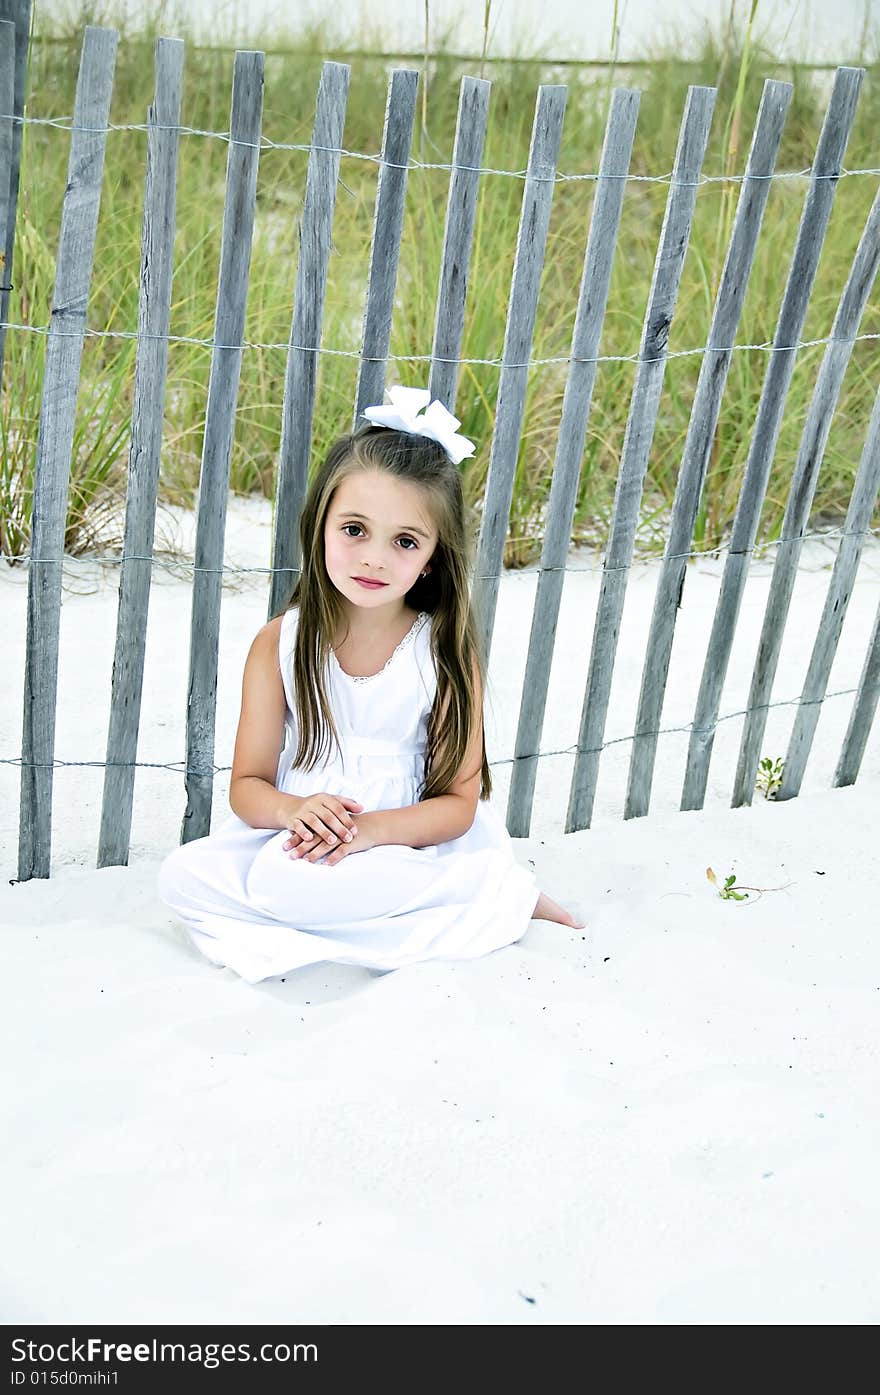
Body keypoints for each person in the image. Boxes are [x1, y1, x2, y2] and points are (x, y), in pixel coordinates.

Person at [158, 386, 585, 984]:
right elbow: (248, 788)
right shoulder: (279, 643)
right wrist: (296, 811)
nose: (375, 559)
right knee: (181, 877)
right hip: (305, 836)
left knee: (297, 889)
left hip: (408, 839)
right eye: (354, 529)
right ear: (320, 525)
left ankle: (482, 888)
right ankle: (429, 908)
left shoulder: (442, 652)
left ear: (433, 559)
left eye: (405, 541)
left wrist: (366, 835)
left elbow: (459, 806)